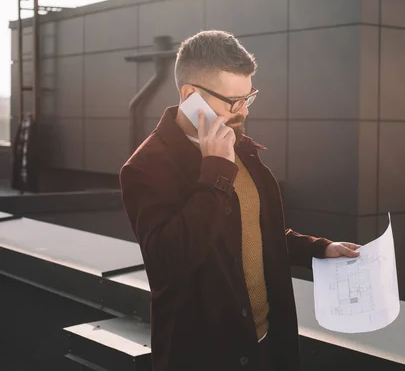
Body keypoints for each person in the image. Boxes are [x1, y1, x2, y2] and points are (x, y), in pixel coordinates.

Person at [120, 30, 361, 371]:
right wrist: (216, 169)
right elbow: (166, 264)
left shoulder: (236, 143)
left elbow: (249, 230)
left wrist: (317, 249)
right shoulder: (147, 166)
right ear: (190, 95)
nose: (242, 111)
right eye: (232, 101)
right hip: (205, 357)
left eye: (248, 97)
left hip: (266, 346)